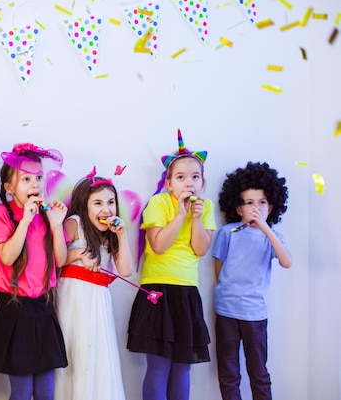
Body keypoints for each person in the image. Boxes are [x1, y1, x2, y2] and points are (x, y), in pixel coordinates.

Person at [127, 129, 216, 400]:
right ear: (169, 183)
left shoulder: (206, 206)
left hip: (187, 293)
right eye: (181, 177)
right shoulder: (158, 202)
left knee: (182, 369)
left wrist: (196, 218)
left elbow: (200, 249)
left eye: (195, 177)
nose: (188, 183)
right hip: (158, 292)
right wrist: (180, 214)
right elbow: (159, 245)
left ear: (202, 182)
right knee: (158, 367)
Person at [0, 142, 69, 400]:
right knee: (22, 392)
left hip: (43, 308)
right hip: (15, 309)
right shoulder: (4, 213)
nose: (35, 184)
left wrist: (55, 226)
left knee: (46, 391)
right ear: (10, 188)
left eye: (39, 177)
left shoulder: (48, 215)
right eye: (26, 179)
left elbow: (61, 260)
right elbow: (7, 257)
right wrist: (26, 221)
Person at [213, 162, 293, 400]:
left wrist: (266, 229)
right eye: (249, 203)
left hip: (255, 314)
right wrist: (227, 292)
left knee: (258, 371)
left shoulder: (272, 237)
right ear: (239, 209)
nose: (255, 208)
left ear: (271, 206)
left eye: (262, 202)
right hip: (226, 311)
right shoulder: (228, 232)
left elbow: (287, 262)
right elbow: (219, 267)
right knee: (228, 372)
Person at [54, 170, 134, 400]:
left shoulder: (110, 234)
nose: (106, 209)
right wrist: (78, 253)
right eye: (97, 203)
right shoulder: (75, 223)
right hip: (74, 300)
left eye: (110, 202)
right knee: (75, 352)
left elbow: (126, 270)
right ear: (84, 205)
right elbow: (54, 258)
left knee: (96, 354)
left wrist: (122, 234)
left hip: (98, 301)